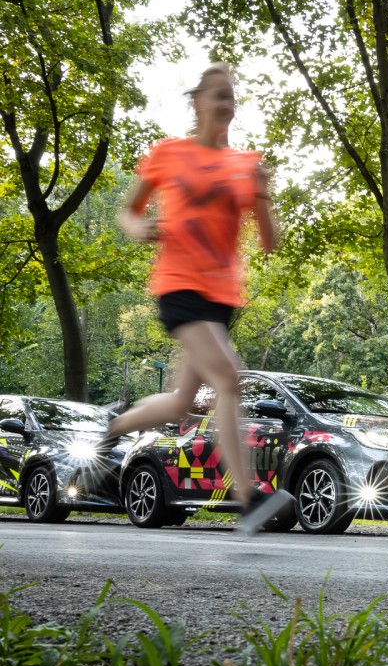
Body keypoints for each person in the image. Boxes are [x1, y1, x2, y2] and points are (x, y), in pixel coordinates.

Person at [89, 64, 294, 534]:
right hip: (178, 285)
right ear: (197, 101)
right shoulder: (168, 154)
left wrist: (263, 195)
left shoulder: (245, 165)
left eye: (232, 99)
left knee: (183, 403)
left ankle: (113, 429)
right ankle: (247, 497)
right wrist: (140, 228)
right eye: (218, 96)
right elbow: (129, 210)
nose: (226, 105)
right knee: (229, 378)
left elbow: (269, 242)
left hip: (221, 299)